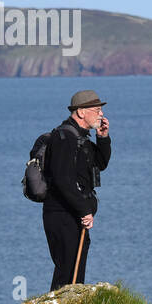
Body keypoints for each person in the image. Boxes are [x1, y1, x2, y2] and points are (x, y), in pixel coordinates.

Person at [43, 89, 111, 291]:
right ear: (81, 112)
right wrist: (84, 210)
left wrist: (103, 138)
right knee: (68, 272)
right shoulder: (65, 138)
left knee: (75, 269)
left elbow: (100, 163)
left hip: (74, 214)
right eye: (96, 110)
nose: (101, 114)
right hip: (62, 214)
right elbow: (63, 180)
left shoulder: (81, 138)